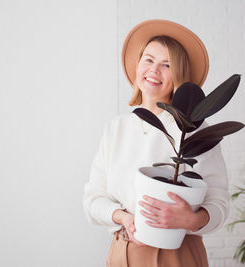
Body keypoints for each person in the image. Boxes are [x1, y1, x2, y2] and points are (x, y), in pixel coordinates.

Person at [83, 19, 229, 267]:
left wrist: (191, 220)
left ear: (180, 76)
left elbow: (220, 204)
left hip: (178, 255)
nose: (154, 70)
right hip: (122, 252)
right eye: (148, 60)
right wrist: (123, 217)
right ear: (137, 65)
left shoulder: (194, 132)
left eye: (167, 64)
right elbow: (92, 201)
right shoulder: (115, 128)